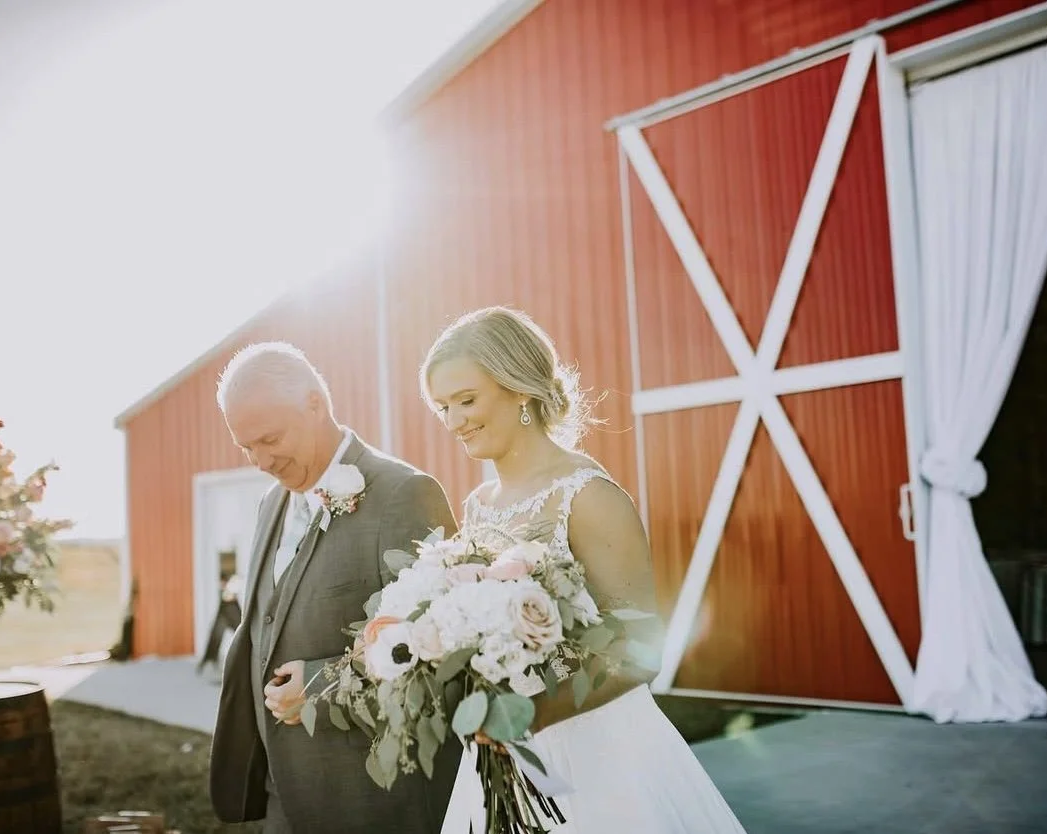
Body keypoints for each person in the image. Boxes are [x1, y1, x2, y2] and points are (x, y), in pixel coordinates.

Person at [421, 307, 748, 833]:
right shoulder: (478, 505)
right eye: (442, 407)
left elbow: (642, 650)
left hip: (602, 752)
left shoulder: (587, 495)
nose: (453, 421)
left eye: (466, 400)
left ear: (518, 389)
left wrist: (534, 714)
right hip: (503, 746)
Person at [208, 341, 461, 834]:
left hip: (372, 802)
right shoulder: (269, 504)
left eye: (270, 439)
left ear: (315, 405)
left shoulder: (404, 494)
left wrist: (323, 684)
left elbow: (444, 653)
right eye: (246, 447)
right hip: (282, 800)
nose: (260, 460)